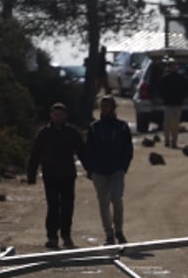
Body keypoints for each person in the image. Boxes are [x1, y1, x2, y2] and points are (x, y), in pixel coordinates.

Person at [27, 102, 86, 250]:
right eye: (55, 114)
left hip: (68, 175)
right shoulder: (44, 133)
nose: (58, 117)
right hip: (50, 175)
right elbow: (35, 154)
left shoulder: (72, 132)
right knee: (52, 206)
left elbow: (82, 152)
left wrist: (90, 169)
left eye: (60, 115)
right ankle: (52, 236)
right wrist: (31, 174)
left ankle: (66, 235)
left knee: (67, 206)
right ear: (51, 115)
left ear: (65, 116)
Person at [83, 95, 134, 245]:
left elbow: (128, 148)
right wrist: (90, 169)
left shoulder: (122, 127)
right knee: (103, 202)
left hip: (117, 169)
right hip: (99, 170)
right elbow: (89, 149)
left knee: (116, 198)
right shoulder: (94, 127)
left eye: (107, 106)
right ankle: (109, 233)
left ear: (113, 108)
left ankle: (119, 230)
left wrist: (124, 167)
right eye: (102, 106)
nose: (104, 109)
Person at [154, 59, 188, 149]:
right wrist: (163, 99)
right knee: (167, 123)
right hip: (168, 103)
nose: (174, 67)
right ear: (169, 67)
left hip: (178, 104)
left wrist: (182, 99)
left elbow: (185, 90)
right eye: (172, 66)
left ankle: (174, 141)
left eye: (175, 65)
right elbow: (161, 90)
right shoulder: (165, 78)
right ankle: (167, 140)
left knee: (176, 124)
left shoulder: (180, 78)